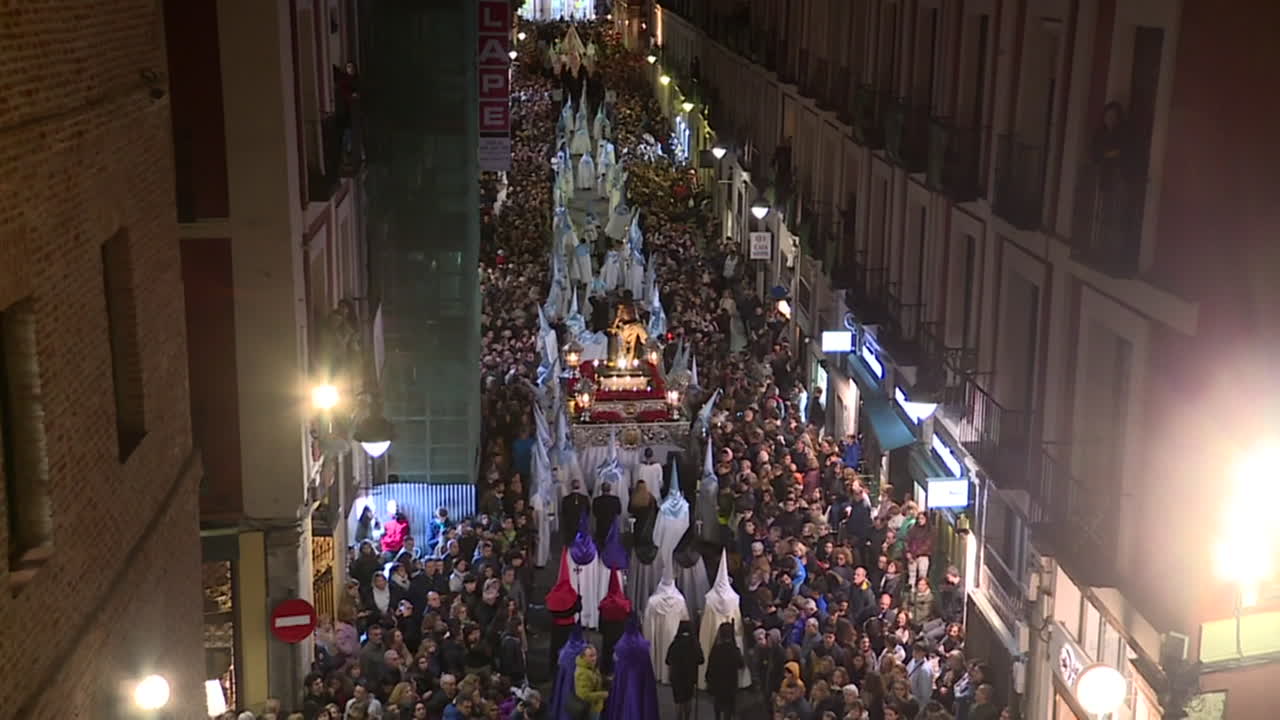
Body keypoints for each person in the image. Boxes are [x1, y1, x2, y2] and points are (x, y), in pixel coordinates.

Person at [705, 621, 745, 720]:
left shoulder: (716, 650)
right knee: (729, 707)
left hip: (718, 682)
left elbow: (710, 666)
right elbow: (741, 665)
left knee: (718, 704)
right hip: (730, 683)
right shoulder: (734, 649)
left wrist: (708, 679)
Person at [665, 620, 703, 720]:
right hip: (690, 676)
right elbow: (701, 660)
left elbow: (667, 660)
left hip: (677, 676)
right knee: (688, 699)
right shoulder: (694, 644)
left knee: (678, 701)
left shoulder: (675, 643)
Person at [573, 645, 609, 720]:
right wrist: (604, 694)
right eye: (591, 656)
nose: (594, 658)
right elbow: (584, 695)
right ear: (583, 657)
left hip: (595, 705)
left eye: (595, 655)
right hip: (590, 708)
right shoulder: (583, 673)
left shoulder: (591, 666)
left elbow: (595, 679)